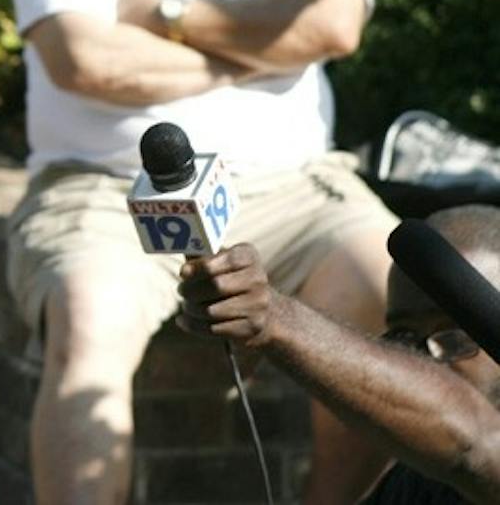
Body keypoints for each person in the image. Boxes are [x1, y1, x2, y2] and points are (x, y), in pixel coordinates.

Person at [6, 0, 398, 504]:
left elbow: (336, 26)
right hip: (107, 187)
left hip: (296, 187)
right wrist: (258, 50)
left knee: (394, 297)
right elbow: (82, 62)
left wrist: (166, 13)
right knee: (87, 332)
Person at [180, 207, 500, 503]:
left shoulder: (477, 448)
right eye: (404, 339)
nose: (427, 360)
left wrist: (273, 318)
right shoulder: (412, 486)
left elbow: (476, 442)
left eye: (455, 337)